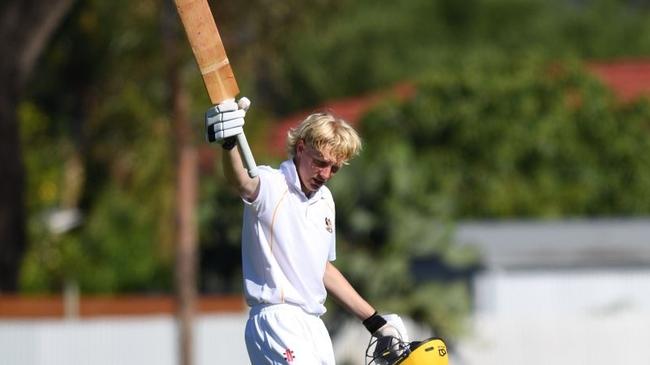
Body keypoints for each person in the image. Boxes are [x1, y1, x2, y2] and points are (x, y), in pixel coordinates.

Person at [206, 97, 407, 364]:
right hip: (276, 319)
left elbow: (321, 269)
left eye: (333, 168)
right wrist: (229, 144)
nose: (325, 174)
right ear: (301, 148)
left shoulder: (325, 201)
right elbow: (241, 180)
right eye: (320, 162)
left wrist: (374, 321)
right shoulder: (271, 183)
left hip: (314, 325)